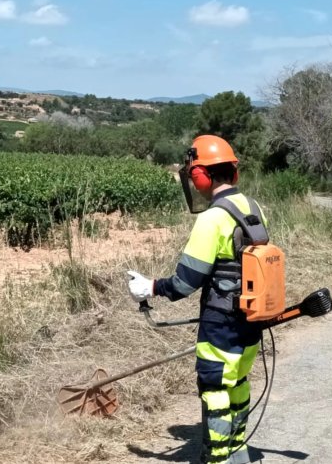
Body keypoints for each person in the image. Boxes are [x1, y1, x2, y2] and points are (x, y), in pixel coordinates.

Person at [127, 134, 265, 464]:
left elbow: (185, 282)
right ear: (233, 172)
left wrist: (151, 288)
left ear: (200, 175)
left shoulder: (212, 218)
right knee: (238, 381)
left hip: (221, 322)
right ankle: (237, 449)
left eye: (194, 175)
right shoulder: (251, 207)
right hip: (252, 317)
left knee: (216, 387)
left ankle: (218, 458)